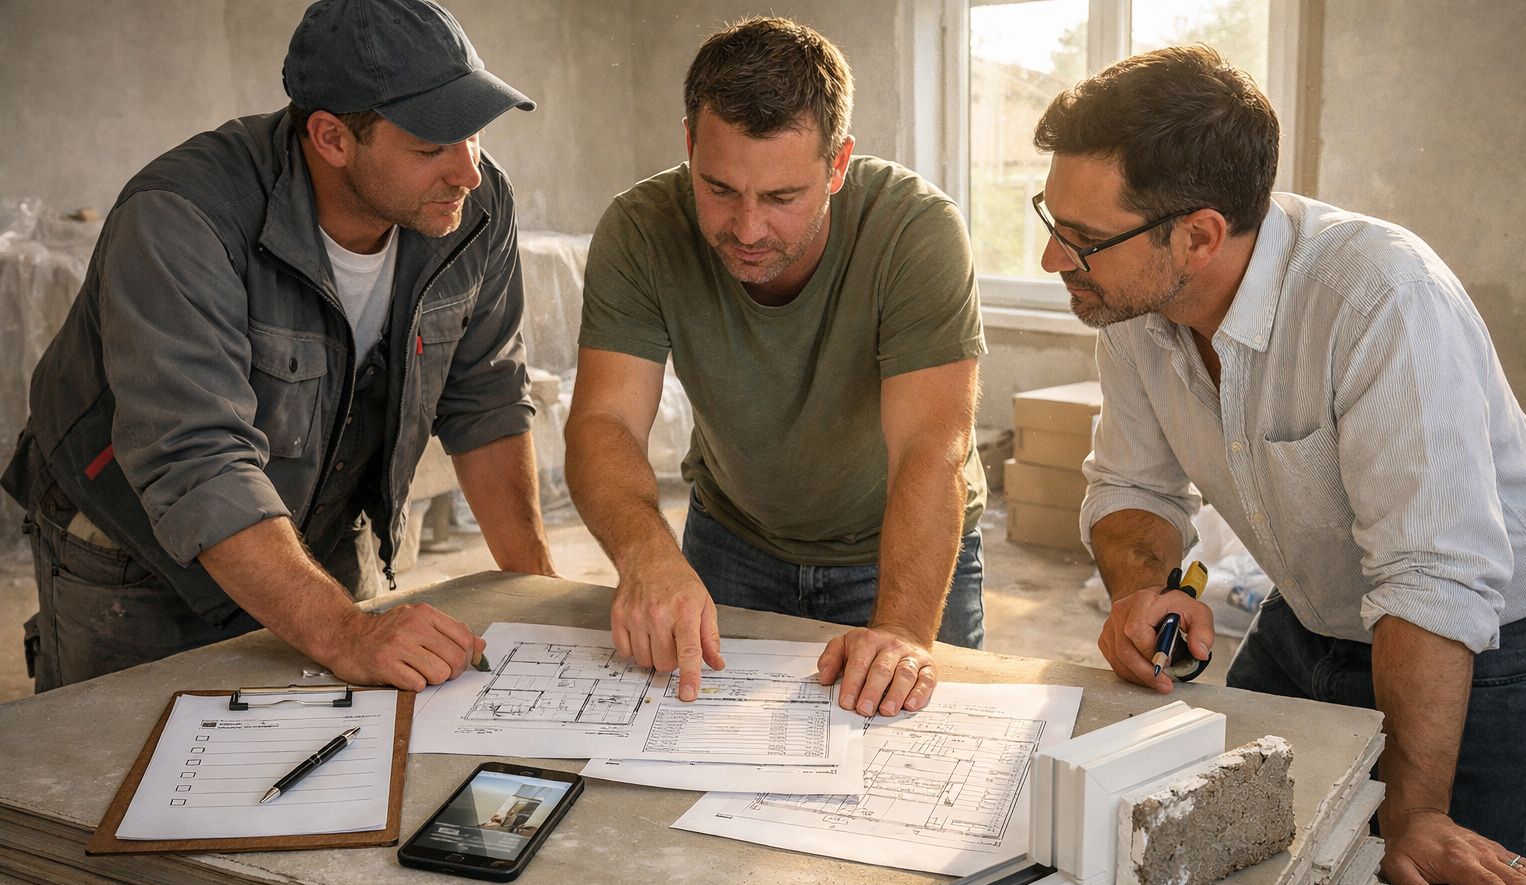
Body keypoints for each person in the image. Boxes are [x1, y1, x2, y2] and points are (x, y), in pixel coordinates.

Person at [1032, 45, 1526, 885]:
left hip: (1481, 654)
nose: (1050, 258)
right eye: (1051, 219)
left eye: (1079, 239)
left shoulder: (1380, 297)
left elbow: (1432, 578)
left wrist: (1414, 813)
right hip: (1304, 623)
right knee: (1225, 879)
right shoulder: (1132, 304)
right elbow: (1132, 488)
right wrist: (1146, 592)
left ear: (1197, 234)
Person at [3, 0, 555, 694]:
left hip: (313, 535)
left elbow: (488, 399)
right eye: (430, 146)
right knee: (131, 785)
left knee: (338, 771)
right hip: (132, 562)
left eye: (473, 135)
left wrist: (541, 610)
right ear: (330, 137)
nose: (468, 171)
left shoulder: (473, 207)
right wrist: (348, 632)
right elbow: (197, 462)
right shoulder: (182, 218)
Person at [565, 17, 987, 720]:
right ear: (690, 145)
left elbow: (930, 447)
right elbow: (605, 419)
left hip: (897, 547)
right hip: (732, 544)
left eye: (784, 198)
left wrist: (904, 631)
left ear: (839, 163)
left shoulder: (917, 232)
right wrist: (647, 556)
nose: (749, 228)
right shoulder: (639, 229)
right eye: (720, 189)